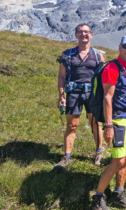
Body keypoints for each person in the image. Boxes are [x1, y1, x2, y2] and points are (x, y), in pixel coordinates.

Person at [89, 36, 126, 209]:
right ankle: (98, 198)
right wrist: (109, 125)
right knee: (118, 161)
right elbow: (107, 97)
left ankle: (118, 193)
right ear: (120, 47)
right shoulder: (112, 67)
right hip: (119, 120)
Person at [54, 24, 105, 171]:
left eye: (86, 32)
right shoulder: (67, 54)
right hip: (73, 93)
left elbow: (102, 78)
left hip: (93, 94)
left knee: (95, 123)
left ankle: (99, 152)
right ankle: (67, 156)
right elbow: (62, 76)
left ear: (91, 35)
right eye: (80, 32)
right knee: (72, 125)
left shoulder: (98, 56)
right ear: (76, 35)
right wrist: (61, 96)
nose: (84, 34)